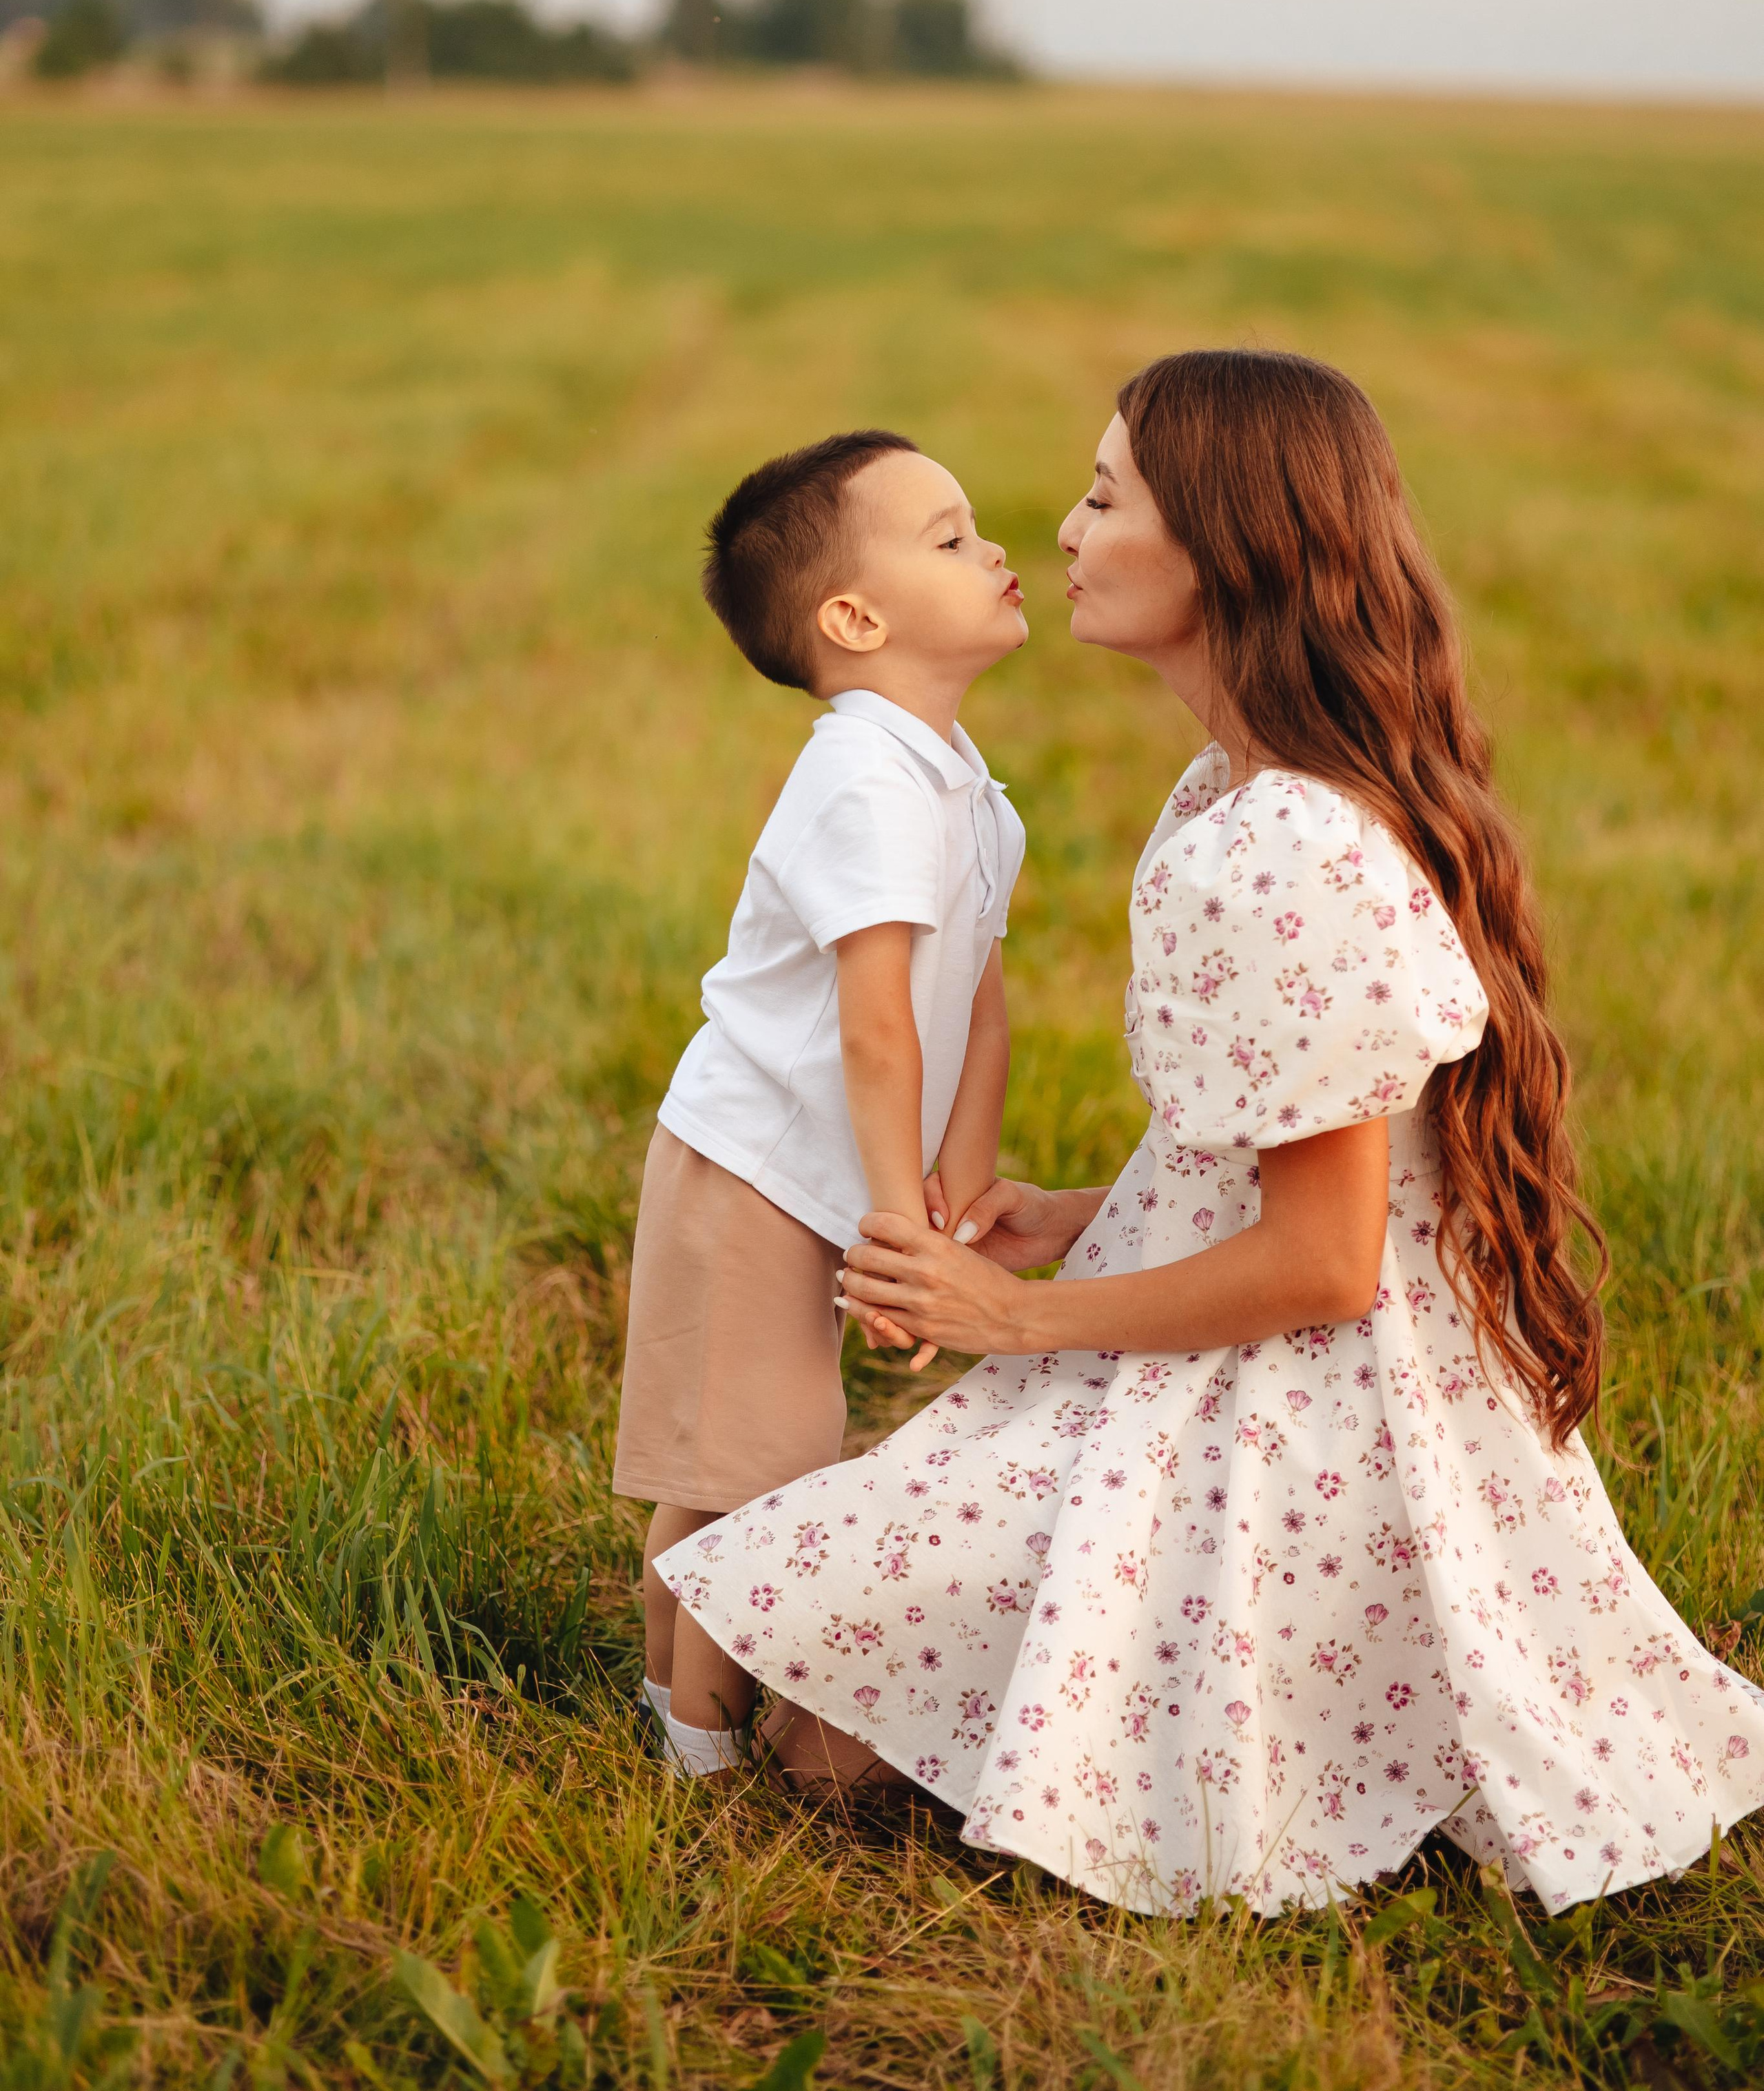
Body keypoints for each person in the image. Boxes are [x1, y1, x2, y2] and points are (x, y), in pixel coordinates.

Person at [659, 349, 1764, 1913]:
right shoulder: (1232, 791)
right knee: (837, 1685)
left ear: (1223, 552)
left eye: (1105, 497)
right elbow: (1321, 1155)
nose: (1059, 529)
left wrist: (1014, 1318)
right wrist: (1088, 1205)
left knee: (828, 1751)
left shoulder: (1280, 850)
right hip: (1230, 1330)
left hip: (1305, 1403)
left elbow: (1323, 1263)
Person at [614, 427, 1028, 1776]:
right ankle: (696, 1749)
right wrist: (888, 1207)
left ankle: (674, 1682)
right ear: (853, 620)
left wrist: (953, 1198)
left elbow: (974, 996)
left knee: (742, 1450)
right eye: (950, 538)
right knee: (761, 1467)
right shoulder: (860, 771)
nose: (998, 550)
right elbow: (871, 1027)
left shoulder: (964, 787)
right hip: (754, 1165)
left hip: (816, 1165)